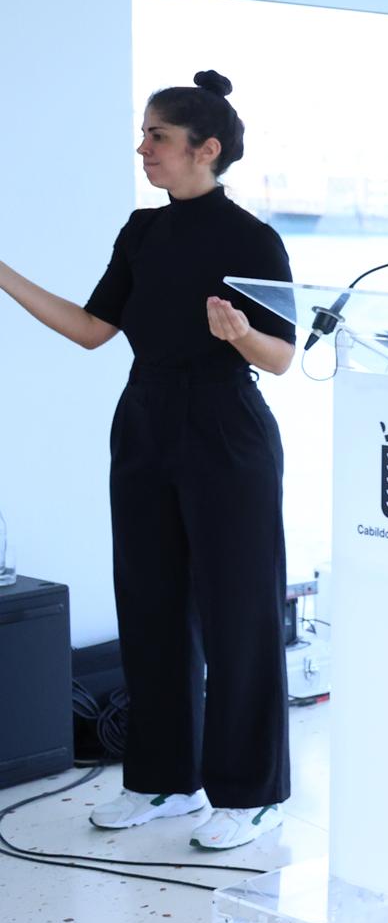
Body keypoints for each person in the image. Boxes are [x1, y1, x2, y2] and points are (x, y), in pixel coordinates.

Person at [0, 71, 296, 851]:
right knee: (151, 605)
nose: (143, 149)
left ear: (207, 148)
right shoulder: (141, 233)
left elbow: (282, 358)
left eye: (157, 136)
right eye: (144, 134)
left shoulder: (253, 239)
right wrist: (2, 273)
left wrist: (239, 334)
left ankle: (250, 792)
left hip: (228, 427)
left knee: (239, 613)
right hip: (144, 420)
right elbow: (95, 328)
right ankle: (166, 781)